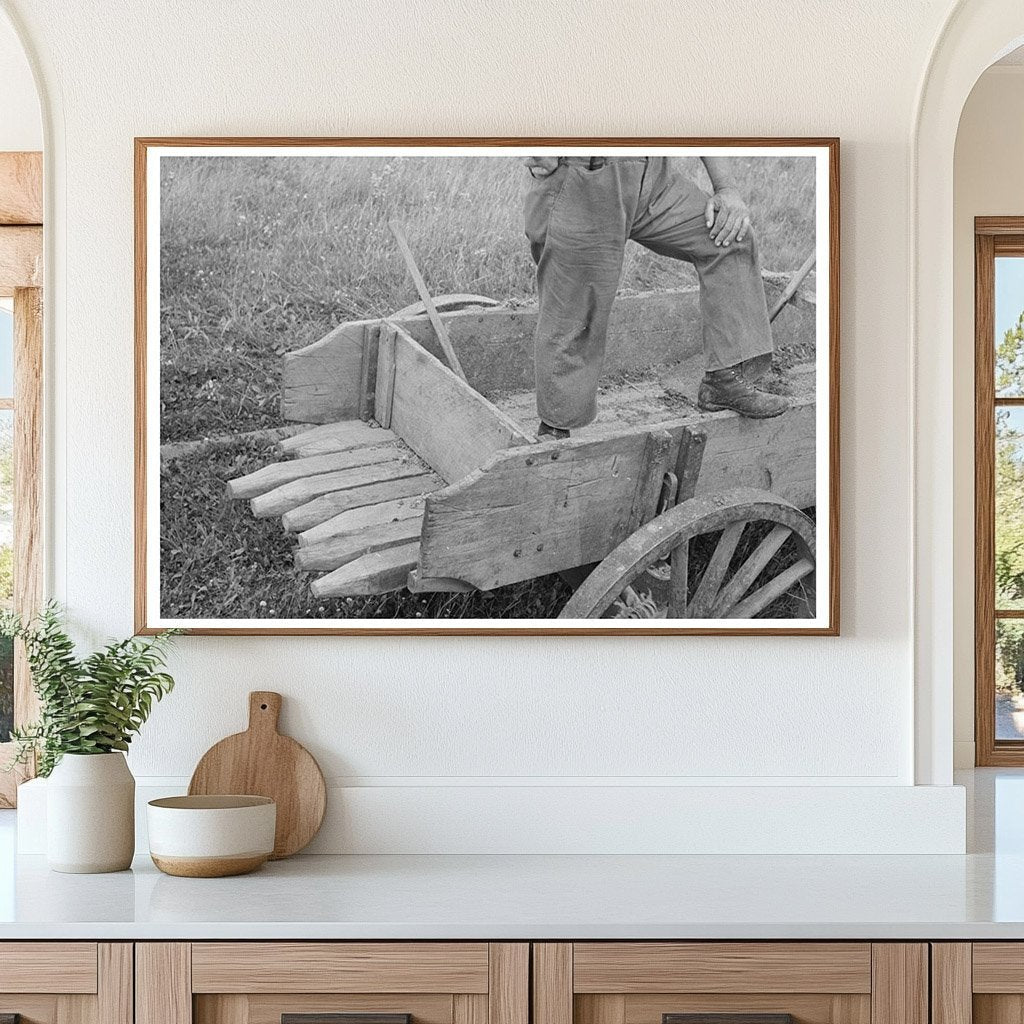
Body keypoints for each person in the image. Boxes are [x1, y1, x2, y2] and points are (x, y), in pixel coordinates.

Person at [524, 155, 790, 439]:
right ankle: (554, 432)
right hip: (584, 175)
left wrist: (726, 188)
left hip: (651, 173)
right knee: (575, 307)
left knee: (730, 235)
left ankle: (724, 380)